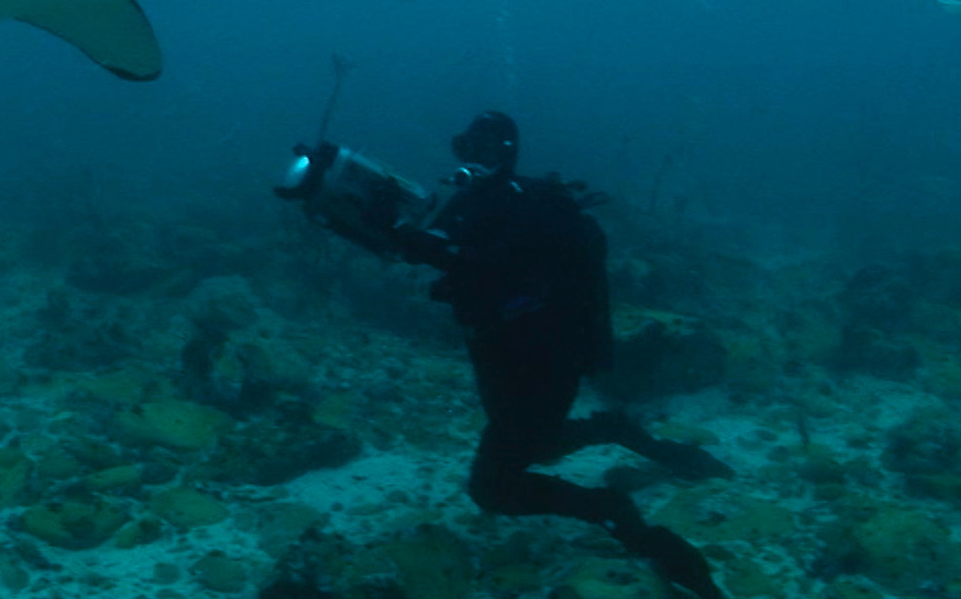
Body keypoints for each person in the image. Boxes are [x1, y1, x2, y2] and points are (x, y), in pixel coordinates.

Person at [291, 111, 732, 599]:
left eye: (479, 150)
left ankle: (618, 515)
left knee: (492, 488)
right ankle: (616, 430)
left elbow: (478, 263)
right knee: (535, 445)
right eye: (466, 149)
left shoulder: (530, 208)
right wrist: (371, 219)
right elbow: (434, 250)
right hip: (502, 354)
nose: (469, 160)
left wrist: (404, 231)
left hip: (545, 358)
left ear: (502, 152)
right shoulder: (474, 202)